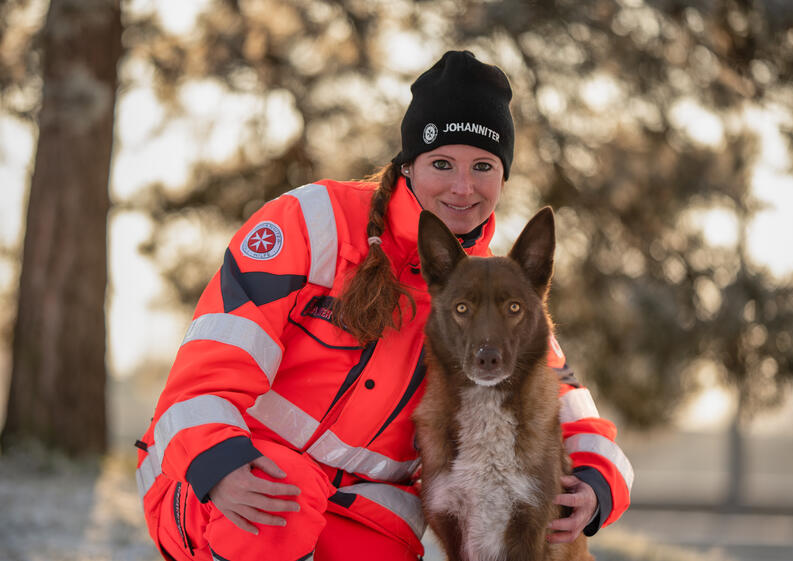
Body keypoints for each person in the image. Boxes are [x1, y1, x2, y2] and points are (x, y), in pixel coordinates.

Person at [135, 50, 633, 561]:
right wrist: (218, 463)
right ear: (409, 165)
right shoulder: (311, 223)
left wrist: (597, 482)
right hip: (233, 476)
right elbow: (206, 375)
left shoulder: (489, 290)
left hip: (359, 504)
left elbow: (563, 397)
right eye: (443, 163)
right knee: (280, 513)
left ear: (503, 178)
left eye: (483, 166)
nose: (463, 188)